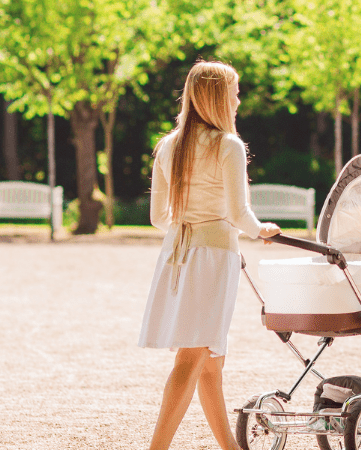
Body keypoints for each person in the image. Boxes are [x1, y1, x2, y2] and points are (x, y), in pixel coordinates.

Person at [138, 61, 281, 450]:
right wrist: (261, 230)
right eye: (234, 92)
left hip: (176, 255)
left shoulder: (169, 145)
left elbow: (157, 217)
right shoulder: (227, 145)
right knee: (192, 355)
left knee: (211, 363)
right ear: (219, 97)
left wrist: (188, 230)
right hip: (214, 257)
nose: (238, 100)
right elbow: (238, 214)